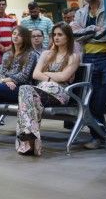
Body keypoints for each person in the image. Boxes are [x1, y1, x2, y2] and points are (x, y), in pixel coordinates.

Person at [16, 23, 80, 156]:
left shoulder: (73, 56)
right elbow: (35, 74)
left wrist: (46, 75)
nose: (56, 37)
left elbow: (64, 77)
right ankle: (30, 134)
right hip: (42, 91)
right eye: (54, 34)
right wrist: (54, 77)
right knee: (25, 89)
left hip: (60, 93)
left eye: (60, 34)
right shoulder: (46, 54)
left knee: (28, 97)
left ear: (68, 37)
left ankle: (28, 141)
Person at [71, 0, 106, 150]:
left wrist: (85, 33)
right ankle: (98, 137)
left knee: (104, 97)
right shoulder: (80, 13)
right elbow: (75, 36)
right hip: (88, 59)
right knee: (91, 99)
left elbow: (105, 34)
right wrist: (93, 29)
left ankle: (101, 132)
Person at [0, 0, 16, 65]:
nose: (1, 6)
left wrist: (9, 47)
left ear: (6, 5)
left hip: (10, 50)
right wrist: (1, 47)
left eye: (3, 4)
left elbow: (16, 35)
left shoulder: (12, 20)